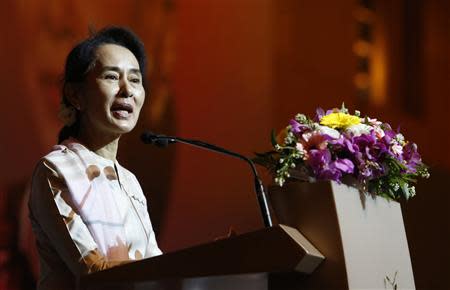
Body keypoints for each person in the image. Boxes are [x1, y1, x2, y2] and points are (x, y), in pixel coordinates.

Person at [29, 26, 162, 290]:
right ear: (75, 95)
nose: (127, 90)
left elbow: (157, 266)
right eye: (112, 77)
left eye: (135, 80)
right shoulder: (56, 169)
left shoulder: (130, 182)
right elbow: (94, 272)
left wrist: (206, 262)